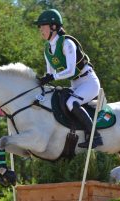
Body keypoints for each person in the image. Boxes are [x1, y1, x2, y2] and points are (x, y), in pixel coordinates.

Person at [35, 9, 103, 149]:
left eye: (43, 26)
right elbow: (50, 73)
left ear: (53, 26)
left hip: (89, 81)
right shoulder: (47, 49)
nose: (40, 29)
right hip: (76, 84)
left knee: (72, 102)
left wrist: (52, 76)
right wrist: (44, 79)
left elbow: (70, 70)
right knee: (58, 100)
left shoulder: (67, 43)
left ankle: (96, 136)